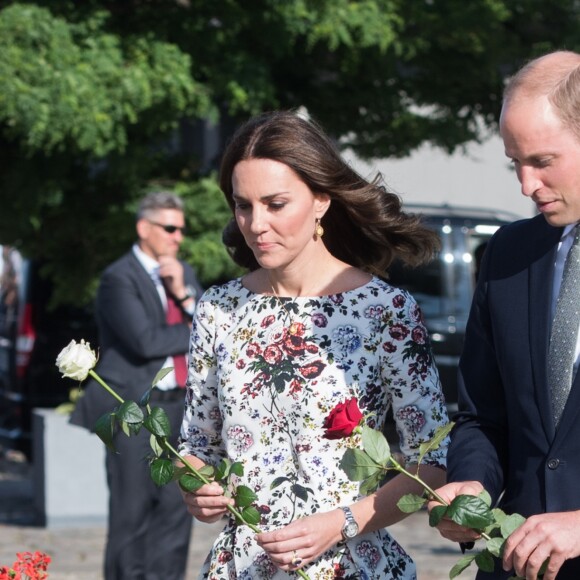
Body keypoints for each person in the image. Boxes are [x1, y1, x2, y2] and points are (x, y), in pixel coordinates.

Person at [177, 110, 449, 579]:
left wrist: (342, 522)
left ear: (321, 199)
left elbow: (433, 463)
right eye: (243, 205)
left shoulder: (384, 310)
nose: (256, 223)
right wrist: (195, 484)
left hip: (350, 564)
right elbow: (198, 442)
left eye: (275, 203)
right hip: (243, 567)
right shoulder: (217, 309)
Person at [429, 51, 580, 580]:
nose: (524, 184)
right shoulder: (507, 253)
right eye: (514, 162)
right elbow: (482, 416)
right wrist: (472, 482)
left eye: (541, 160)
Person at [70, 191, 203, 580]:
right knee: (132, 513)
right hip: (131, 408)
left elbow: (205, 332)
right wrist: (197, 327)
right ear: (144, 228)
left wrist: (182, 293)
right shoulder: (118, 277)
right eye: (169, 228)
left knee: (176, 512)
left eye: (181, 229)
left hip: (181, 407)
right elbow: (145, 341)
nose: (177, 237)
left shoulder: (183, 274)